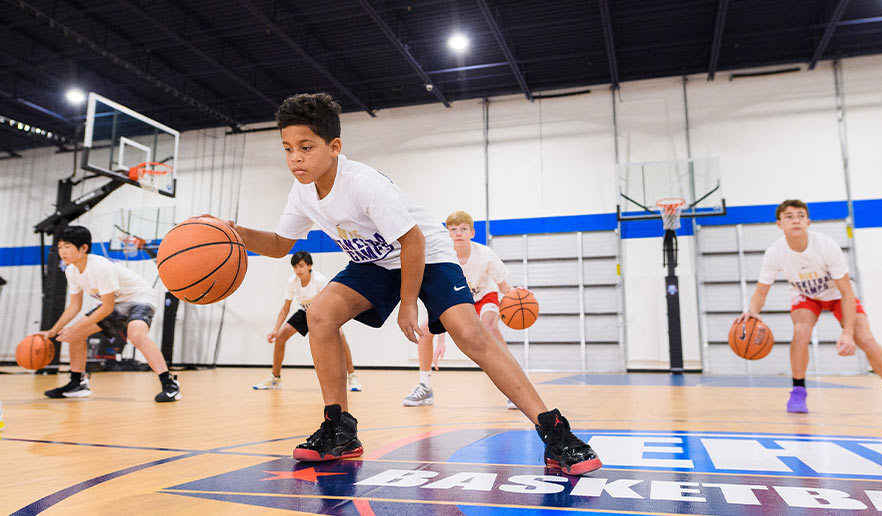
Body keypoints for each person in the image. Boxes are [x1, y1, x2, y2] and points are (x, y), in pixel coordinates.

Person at [218, 92, 600, 475]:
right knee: (319, 315)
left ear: (334, 147)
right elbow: (280, 244)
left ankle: (554, 431)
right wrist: (232, 232)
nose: (295, 158)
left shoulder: (363, 184)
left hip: (427, 253)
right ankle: (340, 430)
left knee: (470, 333)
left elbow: (412, 240)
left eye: (305, 147)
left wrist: (408, 303)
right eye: (287, 149)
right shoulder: (302, 192)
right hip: (374, 262)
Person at [738, 200, 882, 415]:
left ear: (808, 221)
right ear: (779, 224)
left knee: (864, 338)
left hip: (838, 295)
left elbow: (847, 292)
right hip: (806, 296)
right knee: (801, 332)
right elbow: (761, 290)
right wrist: (753, 312)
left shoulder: (825, 245)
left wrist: (847, 334)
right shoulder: (775, 253)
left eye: (801, 215)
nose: (796, 220)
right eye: (789, 216)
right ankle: (798, 391)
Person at [42, 225, 180, 402]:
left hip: (140, 297)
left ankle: (169, 384)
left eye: (67, 246)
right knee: (75, 334)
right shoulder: (71, 271)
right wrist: (53, 331)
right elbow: (74, 306)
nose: (62, 251)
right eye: (60, 247)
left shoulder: (100, 267)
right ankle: (77, 383)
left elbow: (106, 308)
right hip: (117, 302)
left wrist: (75, 327)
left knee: (136, 335)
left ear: (83, 248)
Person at [402, 210, 518, 410]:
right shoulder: (443, 257)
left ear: (472, 233)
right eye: (453, 229)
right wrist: (441, 339)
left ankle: (513, 384)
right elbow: (439, 298)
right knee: (424, 331)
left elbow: (504, 286)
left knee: (489, 326)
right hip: (458, 300)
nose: (458, 233)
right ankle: (425, 385)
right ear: (447, 233)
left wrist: (516, 295)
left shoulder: (485, 254)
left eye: (463, 229)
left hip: (484, 296)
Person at [253, 250, 361, 391]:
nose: (298, 270)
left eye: (301, 266)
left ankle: (352, 377)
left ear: (309, 266)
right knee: (280, 337)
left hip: (323, 313)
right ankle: (275, 378)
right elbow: (285, 308)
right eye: (295, 267)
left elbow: (330, 304)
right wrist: (275, 329)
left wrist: (335, 323)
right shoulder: (293, 282)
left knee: (340, 336)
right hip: (305, 312)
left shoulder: (320, 280)